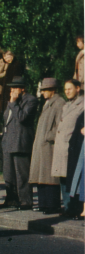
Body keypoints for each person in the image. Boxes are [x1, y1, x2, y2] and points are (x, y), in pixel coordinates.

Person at [29, 79, 65, 213]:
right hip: (43, 146)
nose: (43, 92)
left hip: (50, 147)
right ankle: (44, 204)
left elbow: (60, 125)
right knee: (42, 176)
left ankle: (52, 205)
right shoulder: (48, 103)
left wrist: (48, 136)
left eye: (45, 90)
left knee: (49, 177)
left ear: (53, 90)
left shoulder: (59, 103)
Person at [1, 76, 38, 209]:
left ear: (23, 88)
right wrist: (12, 102)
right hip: (8, 141)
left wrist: (14, 103)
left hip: (21, 141)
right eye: (12, 88)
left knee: (22, 173)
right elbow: (6, 118)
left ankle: (25, 201)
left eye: (15, 87)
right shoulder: (12, 101)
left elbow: (22, 117)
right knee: (9, 173)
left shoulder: (31, 100)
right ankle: (11, 199)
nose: (12, 90)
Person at [52, 79, 84, 216]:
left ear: (78, 88)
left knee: (73, 177)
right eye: (65, 89)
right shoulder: (66, 105)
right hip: (62, 146)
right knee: (63, 177)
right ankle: (67, 207)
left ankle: (75, 207)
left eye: (70, 89)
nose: (67, 92)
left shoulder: (82, 104)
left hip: (74, 146)